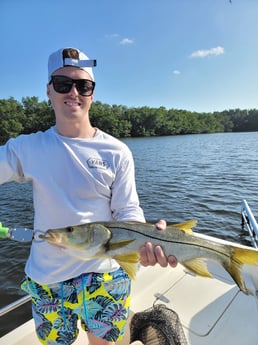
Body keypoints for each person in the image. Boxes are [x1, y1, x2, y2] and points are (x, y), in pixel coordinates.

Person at [0, 47, 177, 345]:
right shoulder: (27, 148)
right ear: (48, 90)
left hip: (105, 273)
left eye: (83, 85)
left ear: (92, 93)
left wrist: (145, 242)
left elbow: (127, 210)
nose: (73, 92)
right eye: (62, 84)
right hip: (48, 278)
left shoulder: (117, 151)